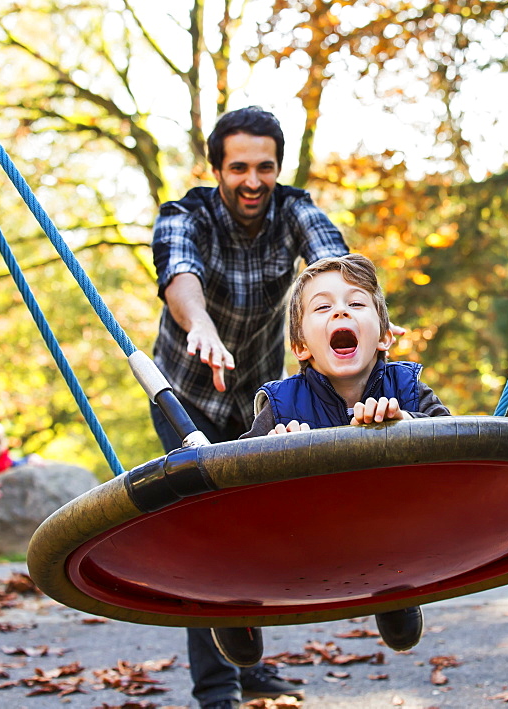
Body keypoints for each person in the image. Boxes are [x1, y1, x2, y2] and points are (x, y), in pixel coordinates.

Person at [150, 106, 349, 709]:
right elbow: (179, 272)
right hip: (187, 396)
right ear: (218, 170)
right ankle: (217, 690)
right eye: (239, 168)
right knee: (209, 530)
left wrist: (350, 315)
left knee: (260, 523)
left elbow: (331, 263)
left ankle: (249, 663)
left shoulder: (294, 211)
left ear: (278, 169)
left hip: (261, 395)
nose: (253, 181)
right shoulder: (186, 215)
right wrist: (202, 324)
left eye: (265, 167)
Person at [211, 253, 451, 667]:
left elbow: (458, 444)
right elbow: (233, 476)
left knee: (404, 521)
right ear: (301, 345)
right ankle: (234, 605)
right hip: (302, 538)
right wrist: (271, 448)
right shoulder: (283, 404)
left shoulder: (406, 388)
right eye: (322, 307)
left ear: (384, 337)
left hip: (388, 533)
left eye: (356, 304)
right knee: (232, 525)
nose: (341, 309)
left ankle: (396, 592)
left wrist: (408, 423)